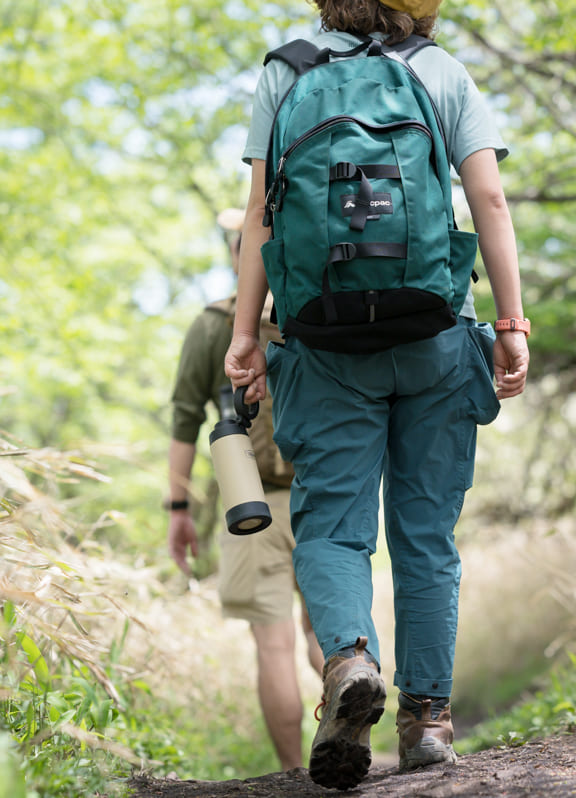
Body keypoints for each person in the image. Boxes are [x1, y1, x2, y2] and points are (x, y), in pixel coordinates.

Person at [225, 0, 530, 789]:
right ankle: (427, 722)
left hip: (324, 344)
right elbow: (489, 201)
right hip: (432, 332)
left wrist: (246, 331)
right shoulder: (441, 71)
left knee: (331, 529)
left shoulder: (285, 72)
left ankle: (351, 659)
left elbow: (260, 216)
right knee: (426, 538)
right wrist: (511, 321)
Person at [167, 208, 325, 772]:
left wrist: (178, 508)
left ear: (238, 259)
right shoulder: (316, 313)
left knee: (274, 645)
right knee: (327, 635)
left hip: (248, 503)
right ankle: (346, 736)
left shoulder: (214, 325)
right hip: (321, 494)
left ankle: (294, 777)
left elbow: (186, 421)